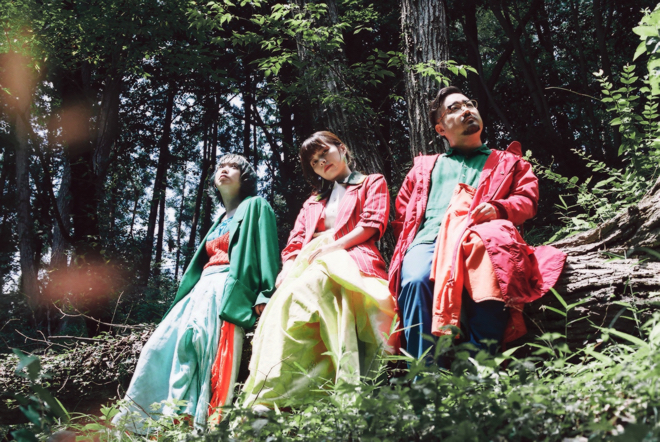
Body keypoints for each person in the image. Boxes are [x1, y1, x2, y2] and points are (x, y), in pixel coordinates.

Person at [389, 86, 566, 364]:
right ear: (440, 129)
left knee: (491, 273)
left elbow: (527, 201)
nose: (466, 110)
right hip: (428, 241)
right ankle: (423, 376)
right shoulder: (424, 167)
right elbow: (403, 214)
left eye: (469, 104)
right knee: (415, 280)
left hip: (480, 238)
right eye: (454, 108)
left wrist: (499, 208)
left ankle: (478, 367)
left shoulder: (509, 162)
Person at [113, 154, 279, 431]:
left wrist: (266, 293)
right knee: (159, 345)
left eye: (233, 166)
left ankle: (191, 422)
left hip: (226, 285)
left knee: (203, 346)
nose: (224, 170)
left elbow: (267, 251)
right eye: (221, 166)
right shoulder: (219, 219)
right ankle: (140, 422)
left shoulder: (256, 206)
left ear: (245, 177)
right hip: (199, 288)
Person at [242, 131, 397, 408]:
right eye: (314, 162)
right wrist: (288, 267)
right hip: (308, 260)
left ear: (342, 148)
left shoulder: (371, 182)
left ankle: (338, 386)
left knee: (319, 287)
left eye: (324, 153)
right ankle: (278, 392)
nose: (321, 162)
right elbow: (295, 242)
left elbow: (372, 223)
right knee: (284, 303)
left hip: (353, 254)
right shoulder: (312, 202)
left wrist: (332, 246)